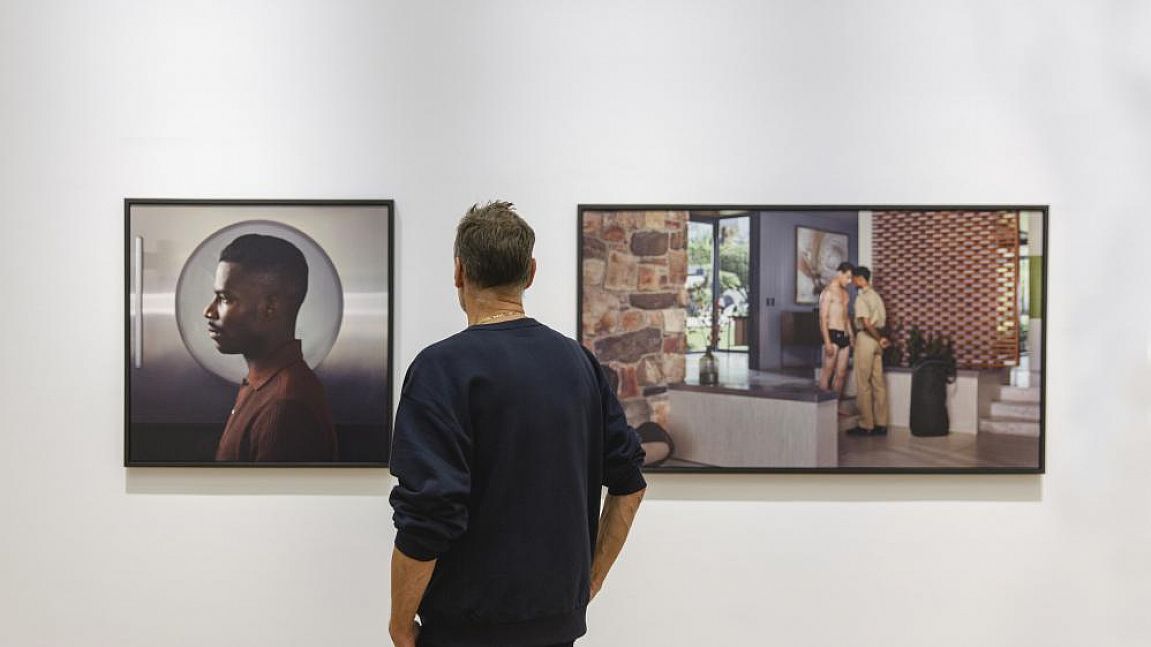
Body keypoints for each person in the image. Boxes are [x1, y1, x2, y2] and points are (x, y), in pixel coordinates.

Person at [388, 202, 647, 647]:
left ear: (459, 272)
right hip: (556, 627)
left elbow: (429, 512)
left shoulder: (440, 369)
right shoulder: (578, 363)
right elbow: (630, 484)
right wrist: (590, 581)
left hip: (464, 632)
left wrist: (399, 623)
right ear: (530, 272)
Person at [203, 233, 337, 462]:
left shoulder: (284, 407)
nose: (208, 311)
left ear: (270, 307)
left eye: (225, 298)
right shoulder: (267, 386)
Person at [847, 266, 890, 437]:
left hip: (867, 339)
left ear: (860, 279)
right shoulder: (876, 296)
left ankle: (866, 424)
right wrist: (881, 339)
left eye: (854, 279)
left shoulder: (862, 298)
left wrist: (878, 338)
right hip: (878, 342)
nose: (852, 282)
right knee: (878, 384)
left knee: (863, 383)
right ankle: (881, 423)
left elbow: (866, 323)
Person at [818, 261, 855, 396]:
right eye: (847, 277)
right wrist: (827, 341)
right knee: (827, 372)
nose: (849, 281)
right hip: (832, 334)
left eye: (851, 278)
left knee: (841, 374)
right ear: (840, 274)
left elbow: (846, 317)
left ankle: (835, 405)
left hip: (844, 335)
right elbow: (823, 319)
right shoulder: (828, 292)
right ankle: (823, 405)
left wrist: (851, 335)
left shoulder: (845, 293)